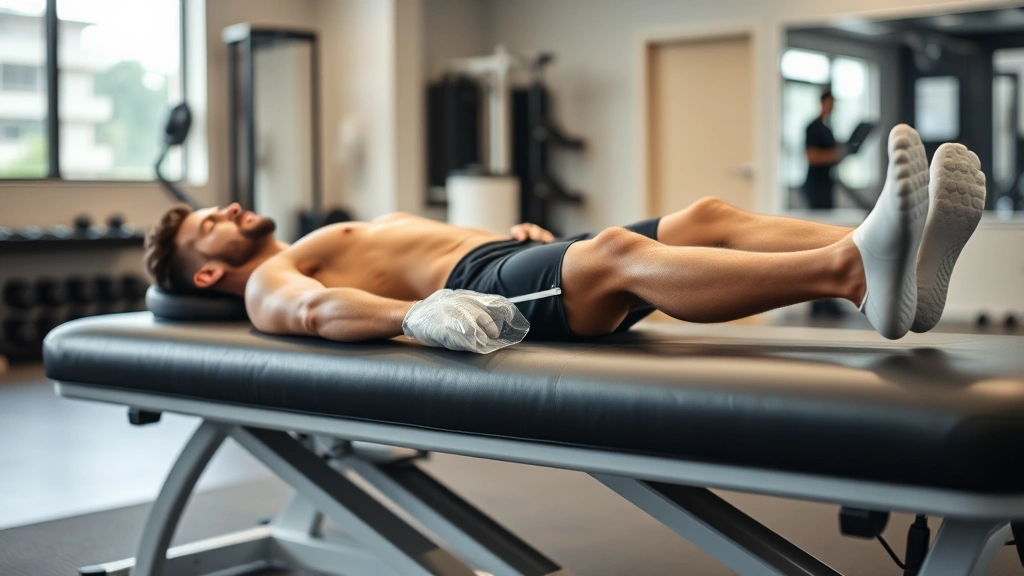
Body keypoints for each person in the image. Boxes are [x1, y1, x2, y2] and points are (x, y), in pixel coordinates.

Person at [144, 125, 985, 353]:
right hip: (484, 287)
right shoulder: (267, 281)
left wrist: (508, 238)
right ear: (210, 269)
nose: (220, 207)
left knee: (703, 217)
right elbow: (322, 312)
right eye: (204, 225)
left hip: (501, 258)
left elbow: (421, 249)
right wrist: (418, 316)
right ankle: (852, 271)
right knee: (618, 252)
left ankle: (891, 248)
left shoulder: (316, 234)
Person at [803, 90, 842, 210]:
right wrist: (833, 156)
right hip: (816, 185)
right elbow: (811, 157)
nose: (832, 108)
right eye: (830, 104)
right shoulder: (813, 128)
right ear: (824, 103)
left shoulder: (827, 130)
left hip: (827, 182)